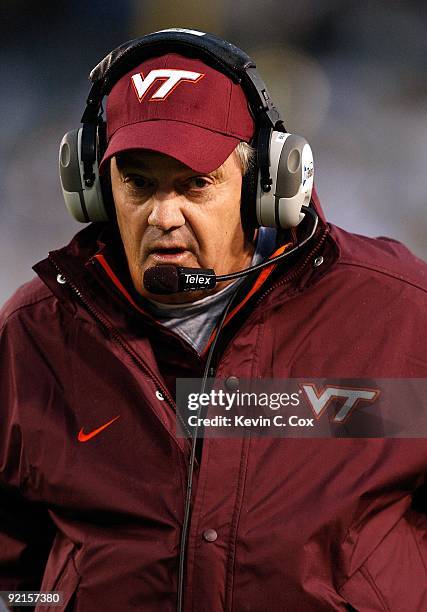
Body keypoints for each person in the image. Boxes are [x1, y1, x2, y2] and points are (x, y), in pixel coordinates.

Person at [0, 29, 426, 612]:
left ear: (267, 187)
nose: (163, 214)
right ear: (95, 190)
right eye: (138, 183)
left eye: (195, 184)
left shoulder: (398, 312)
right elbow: (12, 570)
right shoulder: (36, 330)